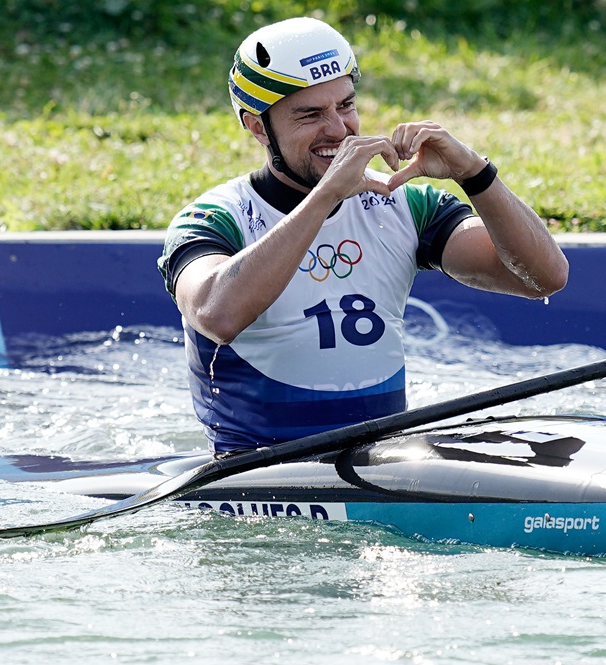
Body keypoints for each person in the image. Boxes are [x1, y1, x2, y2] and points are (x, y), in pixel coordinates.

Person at [157, 17, 568, 455]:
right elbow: (216, 314)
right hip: (256, 473)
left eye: (346, 106)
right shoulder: (214, 217)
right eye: (310, 115)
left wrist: (474, 172)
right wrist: (325, 196)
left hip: (380, 464)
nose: (338, 129)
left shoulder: (405, 203)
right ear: (257, 127)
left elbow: (542, 278)